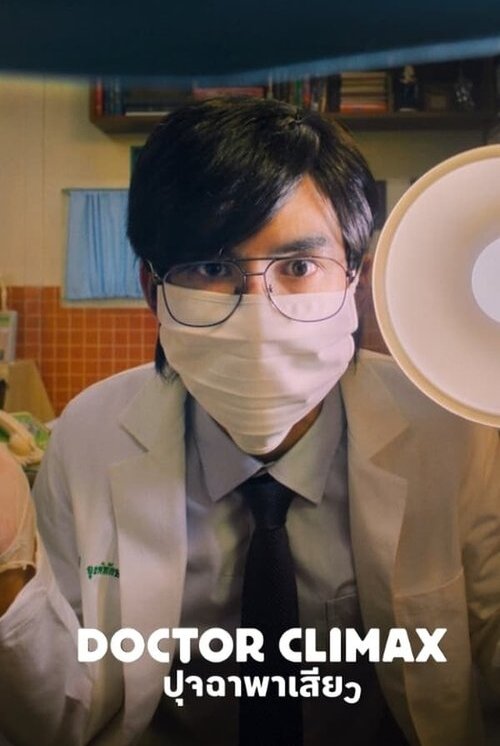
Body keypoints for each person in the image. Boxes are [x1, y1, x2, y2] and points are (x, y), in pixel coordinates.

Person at [0, 97, 499, 746]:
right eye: (213, 268)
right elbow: (62, 715)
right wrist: (6, 571)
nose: (259, 311)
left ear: (353, 282)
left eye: (299, 267)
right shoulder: (89, 436)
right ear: (154, 291)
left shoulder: (451, 434)